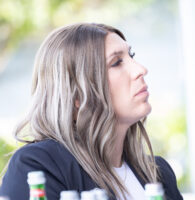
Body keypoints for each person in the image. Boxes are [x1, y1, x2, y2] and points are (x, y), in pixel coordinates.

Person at [0, 23, 183, 200]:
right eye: (117, 62)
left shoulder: (158, 173)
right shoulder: (40, 165)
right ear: (76, 94)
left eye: (131, 55)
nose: (141, 69)